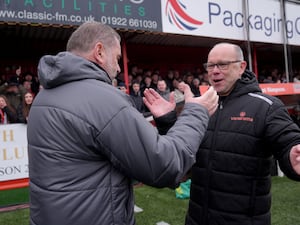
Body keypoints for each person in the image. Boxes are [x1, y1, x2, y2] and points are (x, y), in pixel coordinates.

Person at [27, 21, 219, 225]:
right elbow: (164, 166)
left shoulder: (44, 96)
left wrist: (166, 121)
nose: (119, 68)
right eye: (118, 58)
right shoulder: (101, 98)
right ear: (99, 52)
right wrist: (196, 113)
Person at [182, 42, 300, 225]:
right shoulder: (201, 106)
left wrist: (292, 154)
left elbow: (287, 139)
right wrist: (166, 121)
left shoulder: (266, 106)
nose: (215, 71)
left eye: (222, 64)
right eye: (210, 65)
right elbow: (183, 152)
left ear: (241, 67)